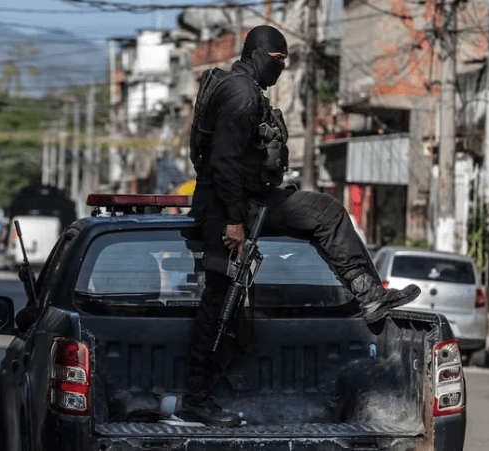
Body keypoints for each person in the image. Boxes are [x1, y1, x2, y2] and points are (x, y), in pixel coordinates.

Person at [180, 25, 421, 427]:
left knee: (325, 212)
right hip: (228, 206)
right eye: (277, 60)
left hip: (248, 198)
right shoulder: (240, 93)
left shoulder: (247, 89)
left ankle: (368, 294)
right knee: (220, 303)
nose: (283, 67)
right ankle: (196, 399)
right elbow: (222, 162)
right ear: (257, 53)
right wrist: (235, 221)